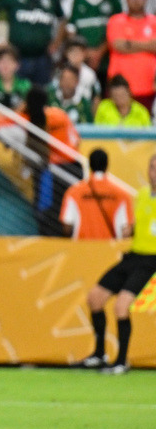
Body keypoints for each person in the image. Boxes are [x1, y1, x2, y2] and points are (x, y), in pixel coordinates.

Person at [79, 153, 156, 374]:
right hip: (134, 256)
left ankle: (121, 361)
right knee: (94, 298)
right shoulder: (141, 195)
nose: (155, 173)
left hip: (151, 261)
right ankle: (99, 353)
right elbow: (139, 225)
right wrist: (129, 231)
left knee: (121, 306)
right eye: (152, 167)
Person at [22, 86, 82, 236]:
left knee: (48, 211)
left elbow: (4, 121)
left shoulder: (34, 118)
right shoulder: (59, 114)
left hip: (52, 169)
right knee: (69, 209)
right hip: (73, 166)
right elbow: (77, 139)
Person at [61, 149, 132, 240]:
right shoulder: (122, 195)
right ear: (106, 165)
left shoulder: (73, 192)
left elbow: (67, 227)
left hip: (82, 248)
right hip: (110, 250)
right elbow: (126, 231)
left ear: (90, 165)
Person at [105, 0, 156, 108]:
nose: (136, 0)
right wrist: (148, 45)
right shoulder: (116, 20)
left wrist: (130, 44)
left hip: (148, 86)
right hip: (119, 87)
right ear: (126, 0)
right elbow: (118, 45)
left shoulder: (154, 21)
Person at [65, 0, 121, 70]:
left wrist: (98, 53)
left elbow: (117, 30)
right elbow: (71, 28)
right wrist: (83, 51)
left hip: (107, 59)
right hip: (81, 59)